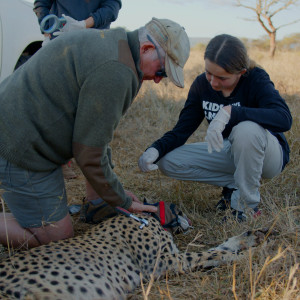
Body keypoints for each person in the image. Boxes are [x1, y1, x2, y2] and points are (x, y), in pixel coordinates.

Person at [0, 17, 190, 249]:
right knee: (56, 239)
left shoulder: (118, 43)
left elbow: (98, 135)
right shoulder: (118, 71)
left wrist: (102, 197)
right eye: (161, 70)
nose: (159, 80)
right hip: (17, 145)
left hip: (21, 126)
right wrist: (122, 201)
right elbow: (89, 154)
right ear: (147, 48)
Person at [138, 34, 292, 222]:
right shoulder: (202, 84)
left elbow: (284, 119)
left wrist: (232, 112)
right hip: (231, 151)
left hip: (267, 156)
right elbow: (182, 130)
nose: (213, 82)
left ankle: (245, 207)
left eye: (222, 77)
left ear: (241, 73)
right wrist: (156, 148)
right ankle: (236, 184)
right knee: (167, 160)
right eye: (209, 73)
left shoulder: (255, 79)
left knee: (246, 130)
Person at [33, 1, 122, 178]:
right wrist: (47, 26)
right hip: (61, 40)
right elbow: (41, 3)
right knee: (57, 102)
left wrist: (83, 24)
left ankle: (94, 161)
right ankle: (60, 160)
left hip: (95, 42)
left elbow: (111, 7)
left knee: (94, 106)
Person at [34, 0, 122, 46]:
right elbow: (41, 4)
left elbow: (111, 9)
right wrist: (46, 32)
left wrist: (83, 25)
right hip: (59, 43)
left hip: (94, 45)